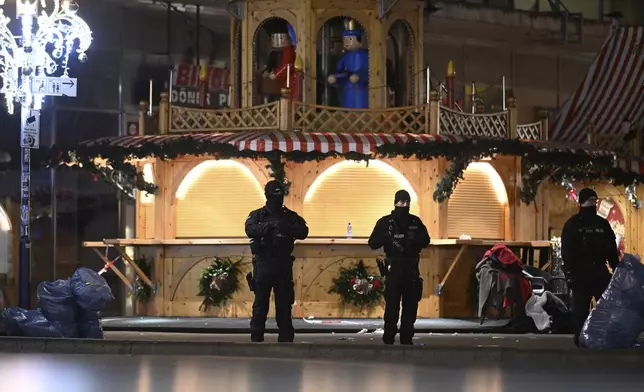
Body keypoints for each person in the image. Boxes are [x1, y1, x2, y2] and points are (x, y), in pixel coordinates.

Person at [245, 180, 309, 342]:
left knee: (284, 304)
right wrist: (270, 226)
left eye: (279, 196)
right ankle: (256, 336)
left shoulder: (289, 216)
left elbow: (303, 231)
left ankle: (286, 338)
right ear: (267, 196)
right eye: (274, 195)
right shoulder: (258, 215)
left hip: (282, 264)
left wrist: (283, 227)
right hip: (263, 262)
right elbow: (249, 229)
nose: (277, 199)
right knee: (260, 304)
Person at [368, 190, 430, 345]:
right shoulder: (386, 222)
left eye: (407, 202)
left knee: (410, 306)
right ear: (395, 203)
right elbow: (373, 243)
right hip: (393, 269)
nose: (404, 205)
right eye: (401, 202)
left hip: (411, 268)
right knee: (392, 306)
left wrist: (414, 240)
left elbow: (426, 240)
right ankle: (389, 337)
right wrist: (387, 236)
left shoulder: (415, 222)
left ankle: (406, 337)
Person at [561, 188, 619, 346]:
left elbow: (566, 251)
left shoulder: (572, 224)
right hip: (597, 273)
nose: (592, 204)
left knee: (582, 308)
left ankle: (582, 338)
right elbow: (611, 251)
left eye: (593, 201)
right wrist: (616, 269)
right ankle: (598, 336)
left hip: (582, 274)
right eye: (591, 201)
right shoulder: (602, 224)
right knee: (603, 307)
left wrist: (569, 273)